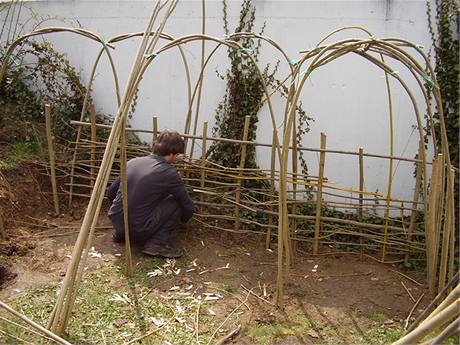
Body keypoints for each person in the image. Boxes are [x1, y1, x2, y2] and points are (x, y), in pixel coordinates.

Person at [107, 131, 194, 258]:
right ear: (171, 154)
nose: (176, 158)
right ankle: (157, 244)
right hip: (139, 228)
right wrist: (185, 219)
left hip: (117, 222)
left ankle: (121, 234)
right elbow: (186, 204)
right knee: (176, 202)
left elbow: (111, 192)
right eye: (177, 155)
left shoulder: (133, 162)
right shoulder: (168, 172)